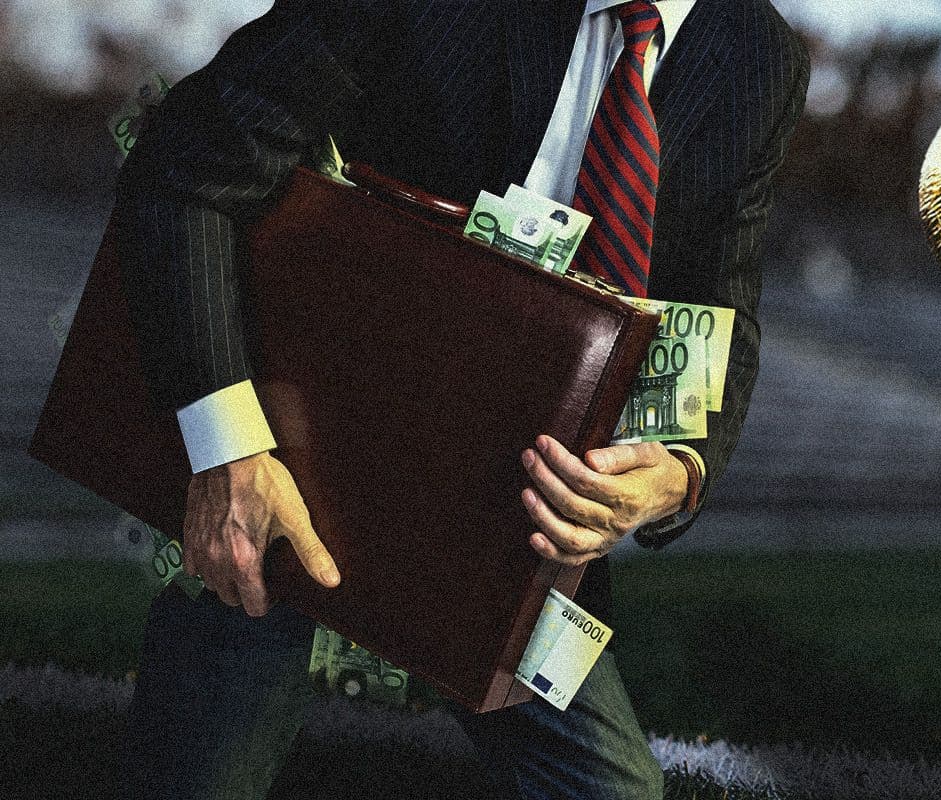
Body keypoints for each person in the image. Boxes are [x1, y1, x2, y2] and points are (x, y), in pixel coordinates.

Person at [111, 1, 809, 798]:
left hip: (507, 515)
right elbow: (184, 166)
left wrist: (679, 471)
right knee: (200, 777)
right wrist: (228, 447)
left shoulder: (758, 56)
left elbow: (722, 307)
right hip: (293, 467)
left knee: (614, 792)